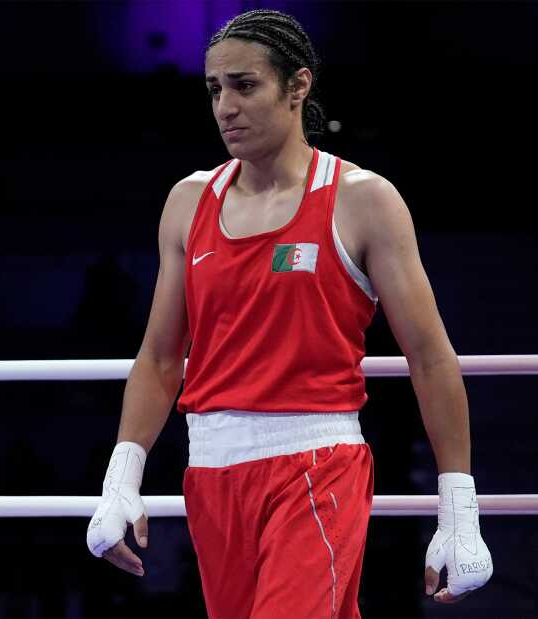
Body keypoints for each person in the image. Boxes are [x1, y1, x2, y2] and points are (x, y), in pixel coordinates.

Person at [85, 9, 491, 618]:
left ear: (297, 87)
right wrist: (122, 475)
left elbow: (430, 358)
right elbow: (163, 354)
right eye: (214, 89)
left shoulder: (363, 201)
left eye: (245, 86)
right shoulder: (188, 202)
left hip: (316, 465)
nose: (225, 106)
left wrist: (458, 506)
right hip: (212, 476)